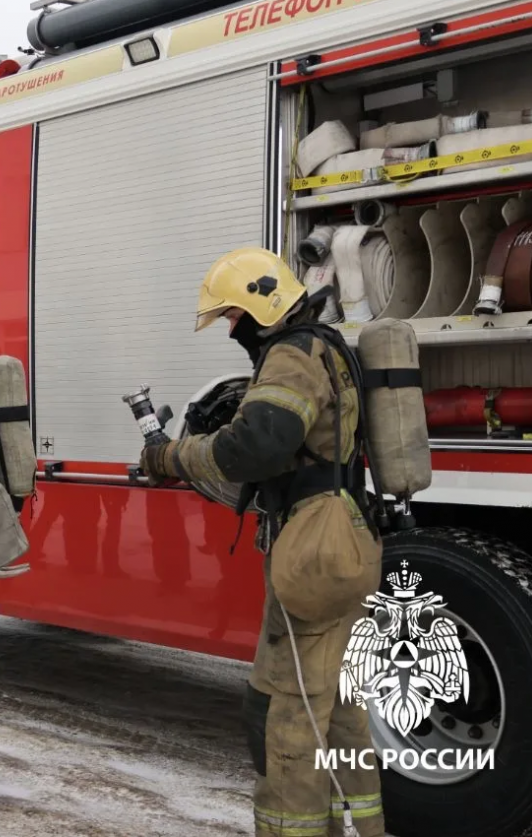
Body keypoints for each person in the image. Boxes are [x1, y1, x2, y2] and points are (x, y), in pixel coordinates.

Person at [138, 248, 387, 837]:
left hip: (316, 545)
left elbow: (255, 445)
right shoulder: (325, 345)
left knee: (287, 712)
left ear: (259, 304)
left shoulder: (292, 356)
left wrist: (173, 456)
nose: (230, 329)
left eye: (231, 315)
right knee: (341, 710)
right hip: (345, 532)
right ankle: (365, 826)